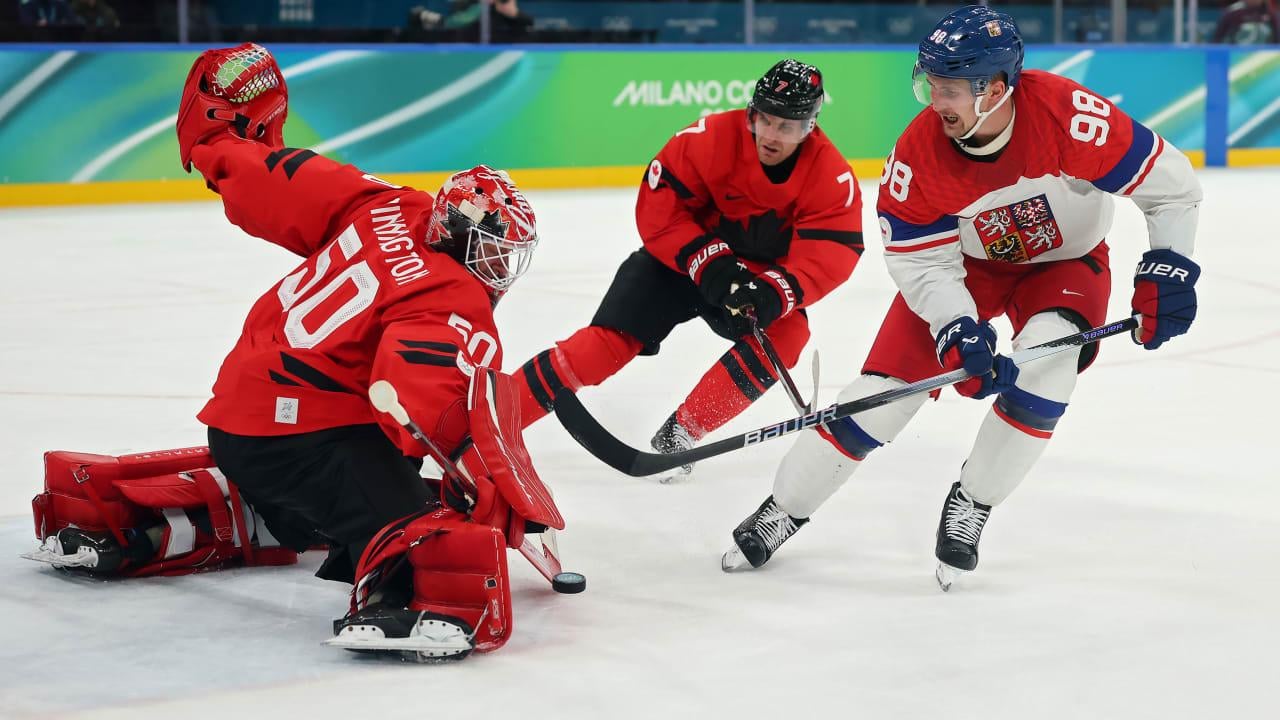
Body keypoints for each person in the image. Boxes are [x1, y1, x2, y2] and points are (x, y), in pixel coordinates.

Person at [26, 44, 559, 661]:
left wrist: (215, 146)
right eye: (494, 248)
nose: (498, 267)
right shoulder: (453, 292)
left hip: (237, 416)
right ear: (465, 235)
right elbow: (421, 396)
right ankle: (398, 594)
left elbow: (275, 177)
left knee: (370, 461)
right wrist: (484, 478)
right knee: (425, 521)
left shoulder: (394, 203)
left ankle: (217, 516)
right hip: (299, 437)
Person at [723, 6, 1202, 589]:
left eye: (948, 88)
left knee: (1047, 371)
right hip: (966, 268)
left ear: (996, 88)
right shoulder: (918, 156)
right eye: (929, 84)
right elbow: (919, 257)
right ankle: (785, 507)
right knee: (879, 399)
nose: (934, 102)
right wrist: (955, 325)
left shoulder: (1069, 118)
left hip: (1065, 263)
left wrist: (1169, 267)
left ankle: (974, 500)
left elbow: (1172, 187)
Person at [513, 59, 864, 481]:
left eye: (786, 126)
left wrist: (772, 292)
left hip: (751, 283)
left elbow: (829, 253)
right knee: (605, 344)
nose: (770, 135)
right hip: (679, 265)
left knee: (789, 335)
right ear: (751, 111)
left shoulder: (831, 176)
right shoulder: (710, 138)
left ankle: (682, 433)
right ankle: (502, 412)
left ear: (810, 125)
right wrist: (708, 259)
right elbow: (661, 204)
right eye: (764, 119)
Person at [1212, 0, 1279, 44]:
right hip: (1237, 55)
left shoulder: (1271, 14)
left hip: (1265, 57)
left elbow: (1277, 40)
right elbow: (1217, 40)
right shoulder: (1232, 13)